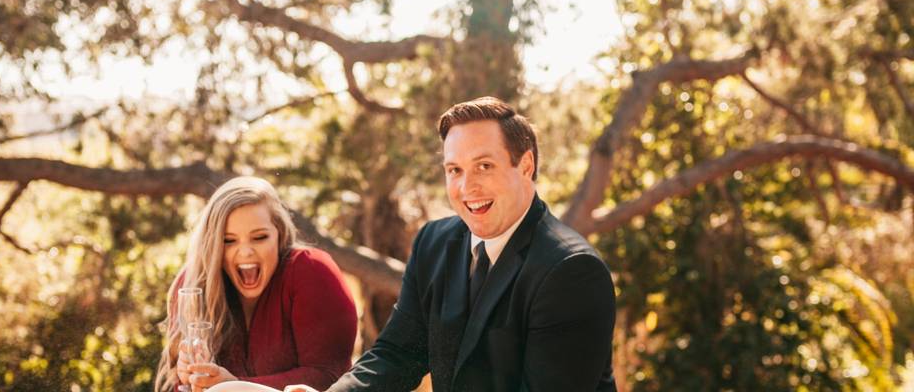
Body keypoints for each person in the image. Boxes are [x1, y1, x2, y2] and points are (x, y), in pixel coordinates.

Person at [213, 96, 617, 392]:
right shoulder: (434, 243)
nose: (466, 186)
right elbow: (397, 353)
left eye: (484, 166)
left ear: (525, 165)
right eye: (454, 170)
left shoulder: (570, 272)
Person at [154, 176, 358, 392]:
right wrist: (188, 380)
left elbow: (328, 376)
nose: (245, 252)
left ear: (279, 233)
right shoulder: (194, 285)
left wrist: (233, 387)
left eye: (259, 237)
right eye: (228, 241)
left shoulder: (312, 270)